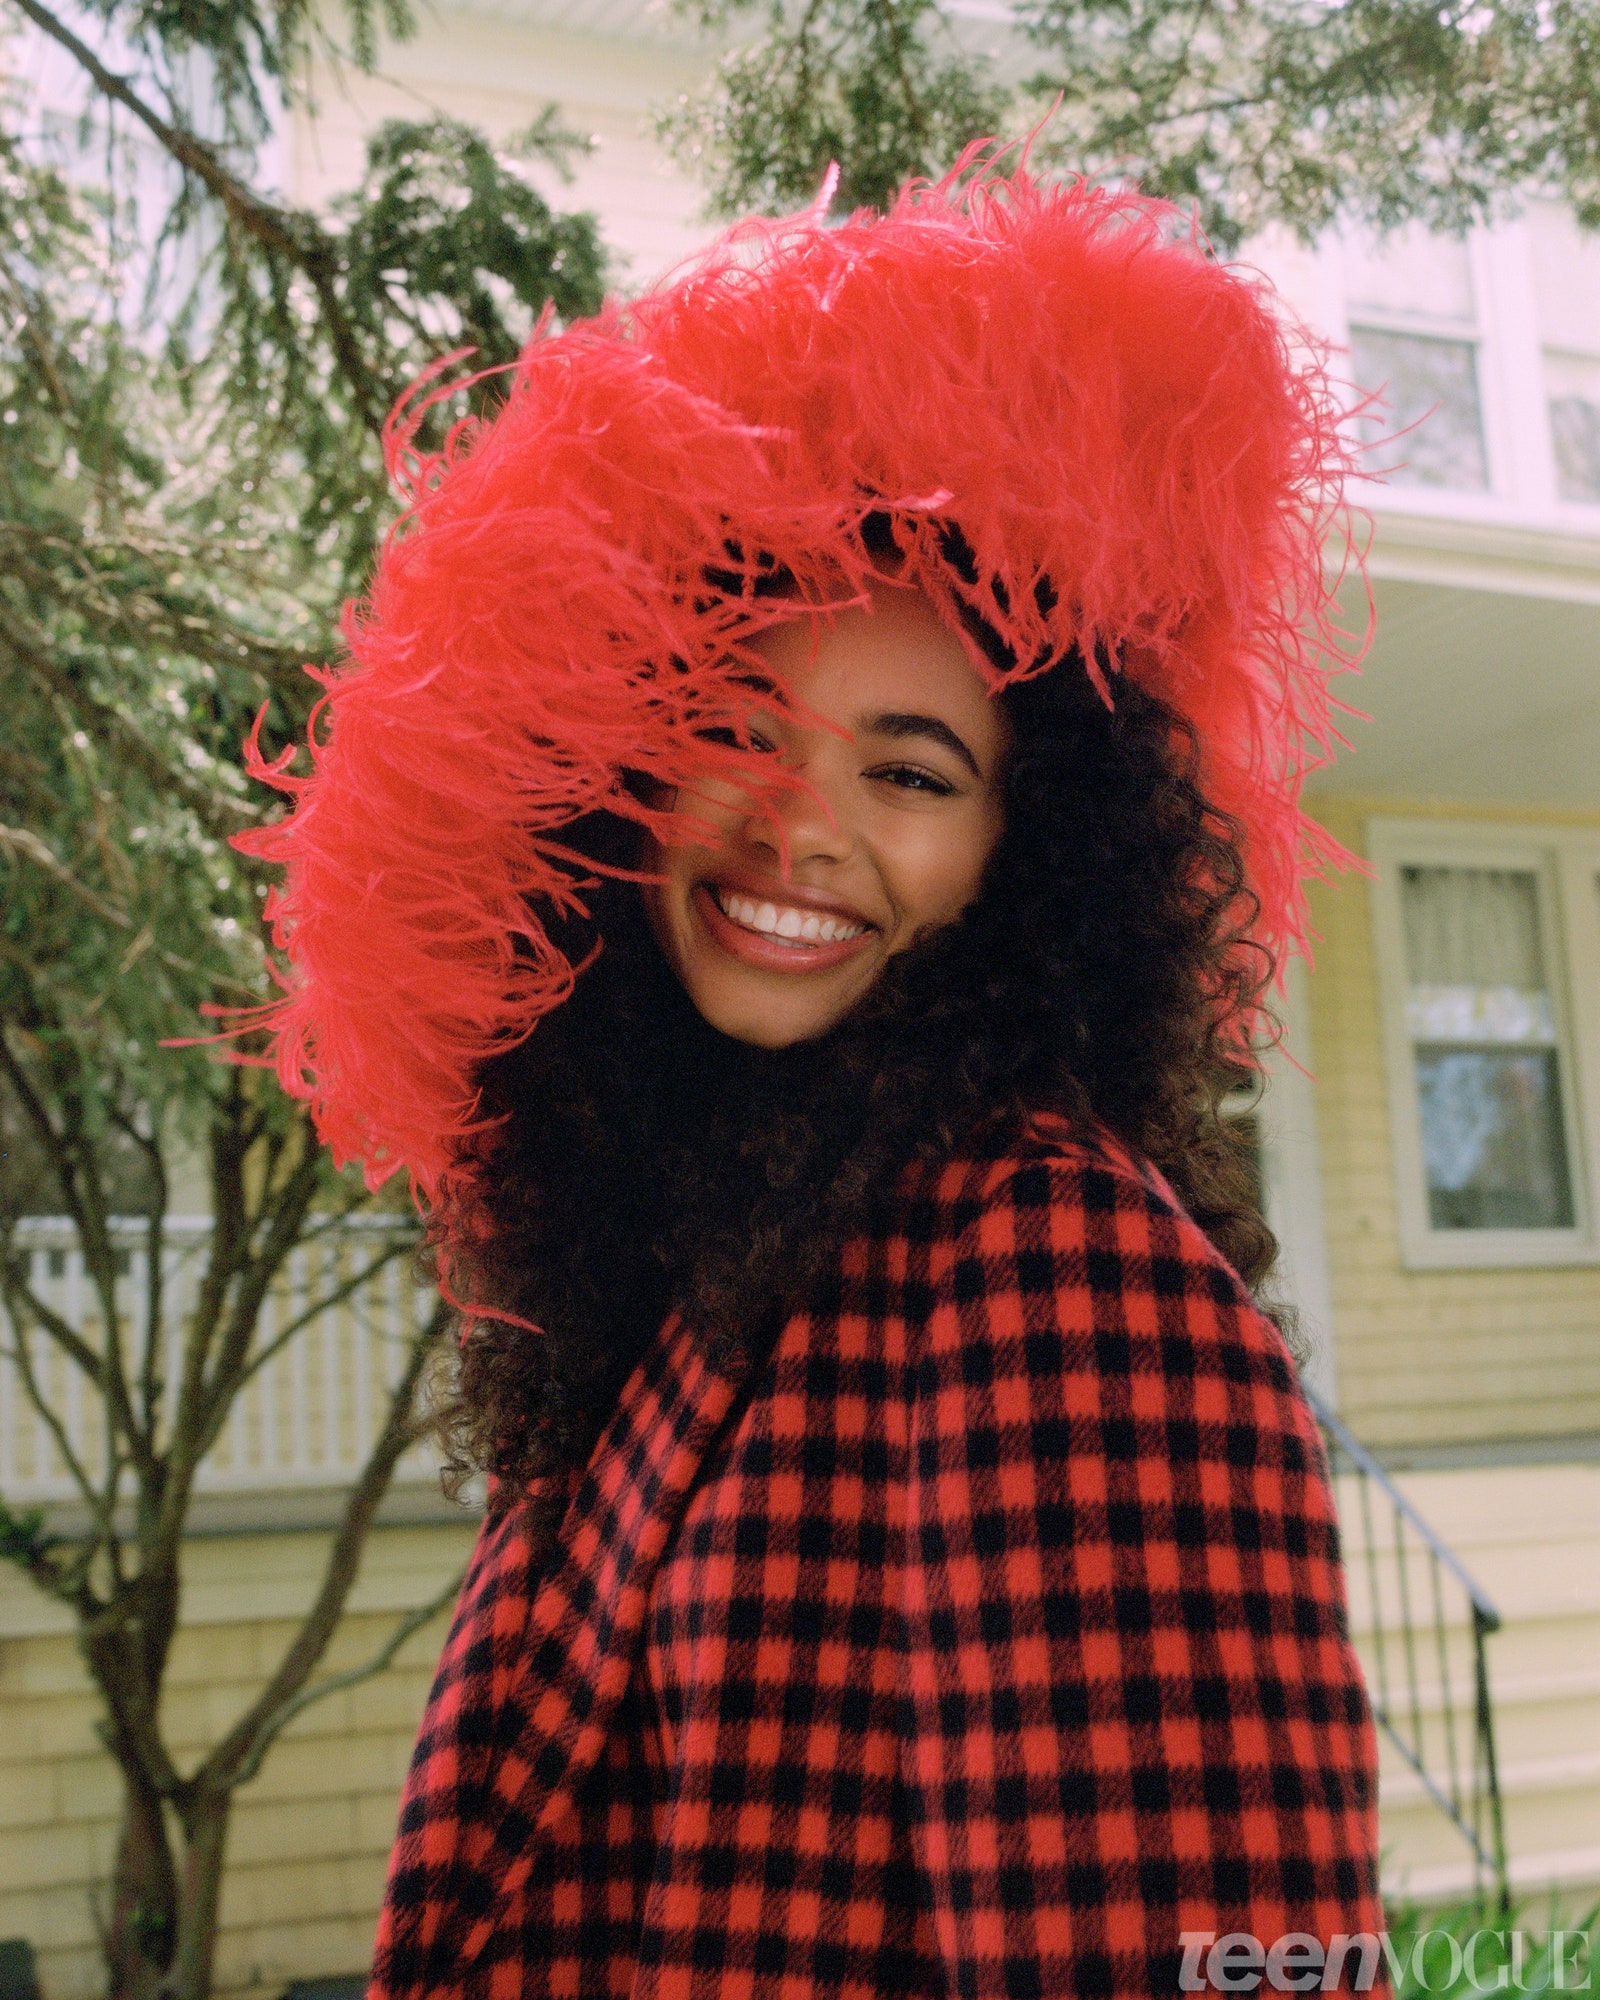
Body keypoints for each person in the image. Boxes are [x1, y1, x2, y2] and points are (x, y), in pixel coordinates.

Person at [240, 153, 1388, 2000]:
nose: (799, 830)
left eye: (912, 774)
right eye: (731, 732)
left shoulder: (1055, 1273)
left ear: (1036, 861)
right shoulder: (677, 1259)